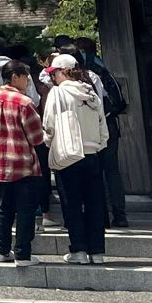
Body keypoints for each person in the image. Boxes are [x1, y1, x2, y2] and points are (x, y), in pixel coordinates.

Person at [44, 54, 111, 265]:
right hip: (93, 153)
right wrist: (98, 144)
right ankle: (98, 251)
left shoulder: (57, 93)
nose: (53, 77)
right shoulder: (90, 93)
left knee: (71, 204)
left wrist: (50, 143)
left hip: (69, 155)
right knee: (95, 203)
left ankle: (79, 250)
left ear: (63, 71)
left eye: (54, 73)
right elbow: (103, 126)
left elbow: (49, 126)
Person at [0, 61, 46, 263]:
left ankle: (1, 250)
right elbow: (37, 137)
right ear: (15, 77)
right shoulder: (24, 103)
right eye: (26, 76)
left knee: (4, 208)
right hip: (22, 165)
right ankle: (23, 254)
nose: (28, 81)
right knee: (25, 211)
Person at [75, 35, 131, 226]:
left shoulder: (83, 74)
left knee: (93, 171)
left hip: (89, 127)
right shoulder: (102, 69)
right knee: (112, 171)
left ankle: (101, 215)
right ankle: (120, 214)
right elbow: (119, 102)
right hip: (109, 124)